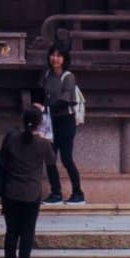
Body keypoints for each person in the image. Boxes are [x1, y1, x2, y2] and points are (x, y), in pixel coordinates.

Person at [0, 105, 55, 258]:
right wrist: (46, 139)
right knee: (27, 232)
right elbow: (52, 161)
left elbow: (3, 158)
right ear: (40, 123)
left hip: (10, 192)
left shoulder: (12, 139)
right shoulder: (42, 144)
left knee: (11, 230)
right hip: (31, 194)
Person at [39, 44, 86, 205]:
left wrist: (46, 107)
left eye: (59, 56)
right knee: (50, 158)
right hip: (50, 121)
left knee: (66, 159)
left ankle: (78, 193)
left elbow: (65, 100)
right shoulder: (46, 75)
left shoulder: (68, 76)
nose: (55, 58)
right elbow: (42, 95)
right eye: (52, 55)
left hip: (66, 121)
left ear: (64, 59)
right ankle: (56, 193)